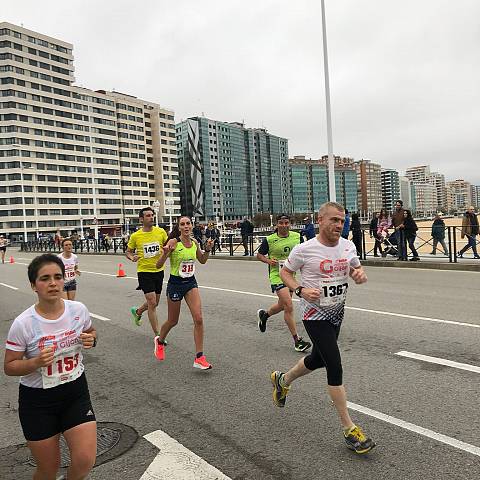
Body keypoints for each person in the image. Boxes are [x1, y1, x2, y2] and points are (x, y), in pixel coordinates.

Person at [270, 202, 375, 455]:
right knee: (334, 365)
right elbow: (285, 272)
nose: (339, 225)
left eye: (342, 220)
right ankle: (350, 430)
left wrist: (359, 273)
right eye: (334, 220)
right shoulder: (305, 249)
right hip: (314, 315)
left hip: (336, 314)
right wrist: (300, 290)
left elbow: (354, 266)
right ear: (320, 220)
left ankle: (283, 380)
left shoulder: (348, 245)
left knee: (317, 359)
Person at [4, 254, 97, 480]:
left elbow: (91, 333)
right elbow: (9, 366)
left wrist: (91, 339)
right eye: (45, 278)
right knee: (48, 469)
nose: (53, 283)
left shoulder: (78, 310)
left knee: (85, 460)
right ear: (34, 285)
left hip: (75, 391)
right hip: (38, 401)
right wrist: (35, 362)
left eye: (57, 277)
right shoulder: (23, 323)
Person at [155, 216, 214, 369]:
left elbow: (202, 260)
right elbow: (158, 265)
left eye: (188, 223)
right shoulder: (174, 242)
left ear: (192, 226)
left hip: (190, 283)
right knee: (173, 321)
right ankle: (160, 341)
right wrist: (165, 253)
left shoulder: (194, 242)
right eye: (183, 224)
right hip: (175, 284)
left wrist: (207, 249)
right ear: (179, 227)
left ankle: (199, 357)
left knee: (199, 318)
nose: (186, 226)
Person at [256, 214, 311, 353]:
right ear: (277, 224)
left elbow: (304, 252)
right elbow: (259, 255)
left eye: (287, 223)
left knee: (282, 305)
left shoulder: (297, 237)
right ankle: (297, 341)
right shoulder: (270, 240)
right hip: (276, 275)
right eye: (281, 223)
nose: (284, 225)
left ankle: (265, 315)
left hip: (290, 275)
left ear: (290, 224)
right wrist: (269, 261)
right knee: (288, 304)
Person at [126, 207, 168, 360]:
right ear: (141, 219)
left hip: (159, 270)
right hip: (144, 272)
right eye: (148, 216)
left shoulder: (160, 232)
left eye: (152, 215)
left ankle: (137, 312)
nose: (151, 217)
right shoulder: (136, 236)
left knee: (155, 303)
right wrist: (132, 257)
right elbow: (128, 251)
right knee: (152, 302)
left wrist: (167, 251)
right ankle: (158, 336)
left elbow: (168, 246)